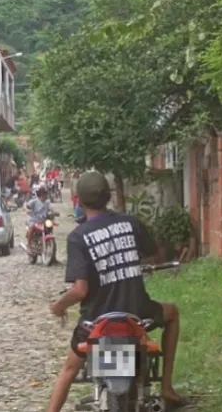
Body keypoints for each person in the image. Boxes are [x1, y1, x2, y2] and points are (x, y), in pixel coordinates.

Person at [46, 171, 187, 412]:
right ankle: (166, 387)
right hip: (137, 314)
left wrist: (58, 306)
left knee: (69, 370)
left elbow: (80, 290)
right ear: (108, 196)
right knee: (172, 313)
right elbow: (155, 254)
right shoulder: (131, 223)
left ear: (78, 200)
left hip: (96, 323)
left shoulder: (78, 237)